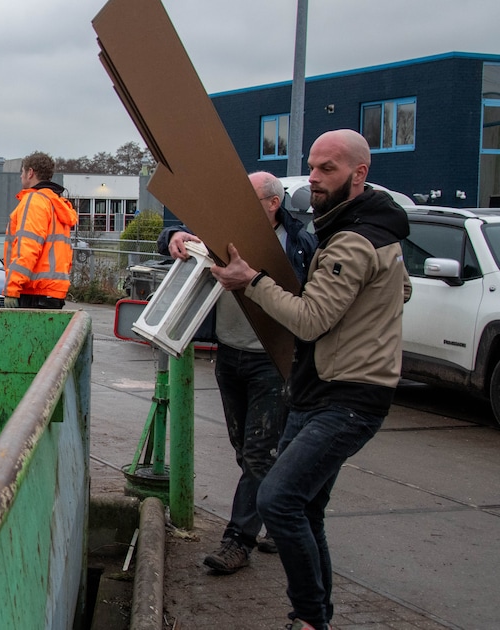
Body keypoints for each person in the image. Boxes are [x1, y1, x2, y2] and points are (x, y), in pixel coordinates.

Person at [210, 130, 410, 630]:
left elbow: (309, 320)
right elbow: (400, 289)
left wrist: (251, 282)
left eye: (329, 169)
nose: (315, 179)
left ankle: (308, 616)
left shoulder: (355, 237)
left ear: (359, 173)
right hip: (318, 387)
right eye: (314, 167)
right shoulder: (353, 225)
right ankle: (315, 619)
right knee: (307, 508)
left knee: (278, 499)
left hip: (348, 399)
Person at [158, 171, 317, 575]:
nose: (237, 207)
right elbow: (178, 239)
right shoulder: (223, 231)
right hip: (229, 355)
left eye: (248, 200)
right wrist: (174, 237)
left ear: (272, 203)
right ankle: (284, 513)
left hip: (272, 361)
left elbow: (315, 303)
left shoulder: (299, 243)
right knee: (246, 451)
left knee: (259, 453)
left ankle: (237, 541)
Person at [2, 151, 78, 309]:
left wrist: (12, 287)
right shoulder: (56, 203)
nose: (20, 176)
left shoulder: (34, 201)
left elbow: (28, 247)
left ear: (30, 173)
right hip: (53, 291)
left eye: (22, 172)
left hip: (34, 291)